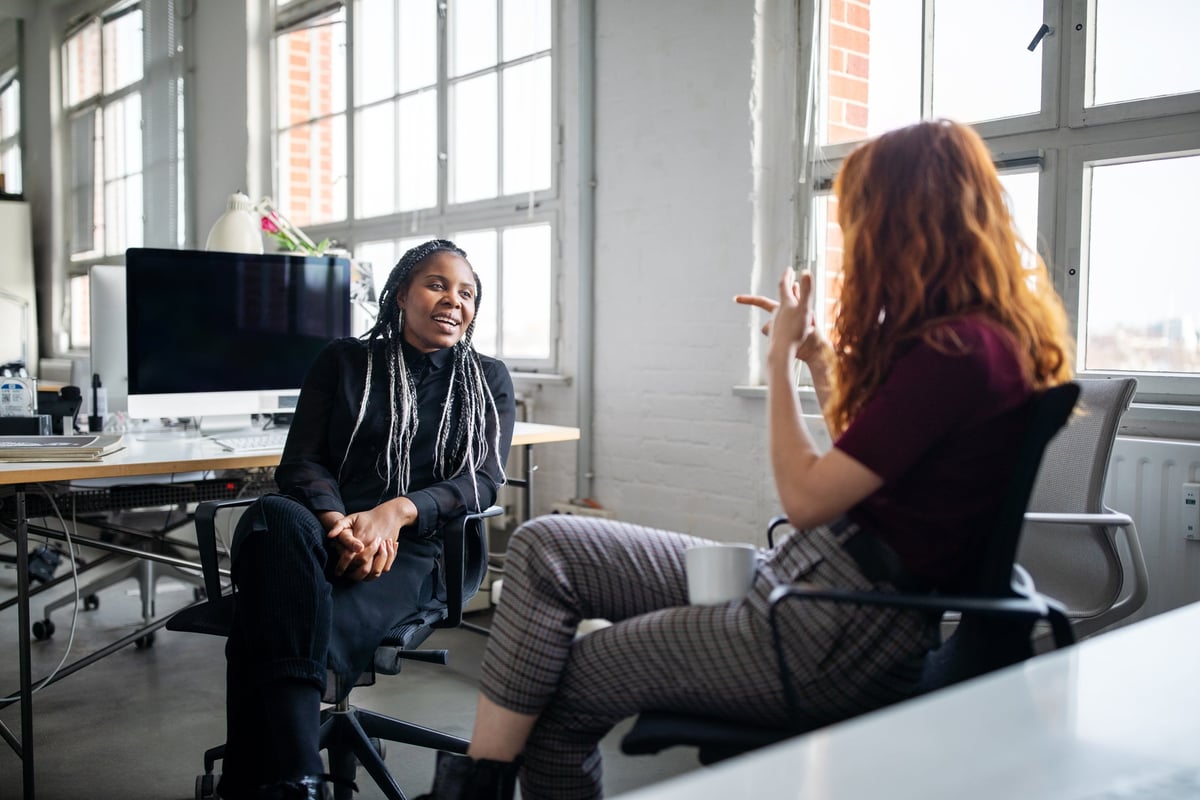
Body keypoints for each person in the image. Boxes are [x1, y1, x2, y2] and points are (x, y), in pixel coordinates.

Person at [415, 119, 1074, 800]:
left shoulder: (957, 352)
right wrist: (818, 362)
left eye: (860, 219)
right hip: (811, 585)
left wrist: (779, 362)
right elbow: (873, 461)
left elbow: (809, 499)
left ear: (907, 220)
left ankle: (471, 793)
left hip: (828, 628)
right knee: (546, 544)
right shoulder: (974, 342)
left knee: (568, 687)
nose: (855, 237)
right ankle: (480, 785)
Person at [217, 239, 515, 800]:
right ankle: (301, 770)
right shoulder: (344, 361)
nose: (454, 300)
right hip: (325, 534)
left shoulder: (487, 380)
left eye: (467, 293)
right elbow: (302, 461)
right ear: (401, 292)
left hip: (422, 549)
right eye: (437, 284)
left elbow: (483, 478)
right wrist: (340, 523)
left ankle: (284, 776)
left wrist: (396, 513)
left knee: (274, 613)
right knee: (273, 516)